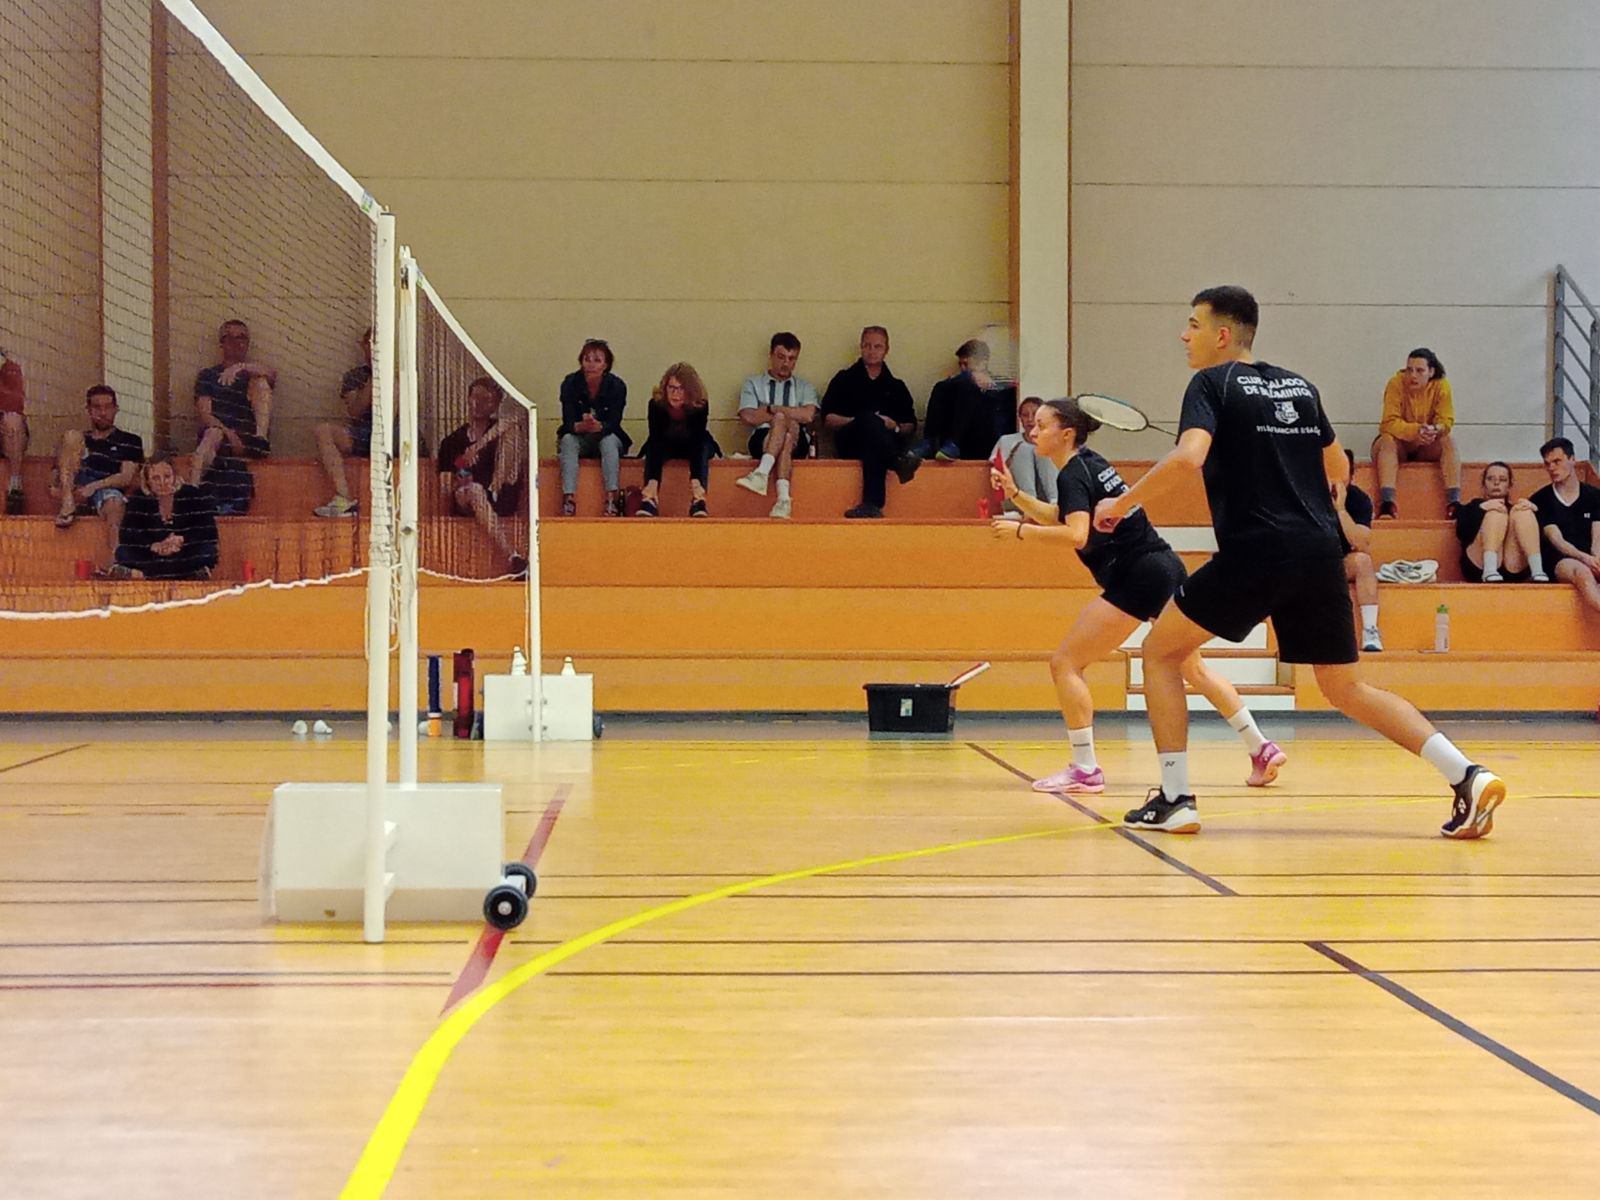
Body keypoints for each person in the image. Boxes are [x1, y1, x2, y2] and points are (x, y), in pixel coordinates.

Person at [1093, 286, 1504, 839]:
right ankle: (1467, 775)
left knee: (1160, 653)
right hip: (1318, 550)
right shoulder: (1300, 386)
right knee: (1346, 689)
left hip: (1257, 550)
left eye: (1193, 325)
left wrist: (1121, 504)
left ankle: (1175, 799)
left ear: (1222, 335)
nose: (1183, 335)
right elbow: (1337, 465)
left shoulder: (1210, 383)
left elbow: (1189, 457)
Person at [991, 397, 1286, 794]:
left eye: (1042, 426)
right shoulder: (1091, 464)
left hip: (1136, 576)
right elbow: (1065, 516)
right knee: (1193, 669)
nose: (1032, 432)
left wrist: (1021, 531)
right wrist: (1017, 495)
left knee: (1066, 663)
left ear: (1066, 434)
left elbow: (1075, 534)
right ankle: (1261, 746)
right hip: (1164, 566)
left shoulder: (1073, 474)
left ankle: (1085, 768)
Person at [820, 326, 920, 519]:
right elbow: (828, 418)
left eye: (877, 346)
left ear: (886, 350)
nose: (871, 351)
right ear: (861, 347)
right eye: (867, 346)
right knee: (868, 419)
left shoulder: (896, 386)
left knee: (875, 440)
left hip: (887, 441)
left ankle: (872, 505)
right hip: (851, 441)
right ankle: (897, 462)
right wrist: (860, 421)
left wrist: (894, 426)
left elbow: (910, 425)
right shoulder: (844, 379)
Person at [437, 375, 528, 575]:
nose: (478, 403)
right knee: (474, 490)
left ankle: (493, 489)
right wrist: (459, 478)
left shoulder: (500, 430)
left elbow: (519, 415)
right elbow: (445, 483)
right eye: (475, 397)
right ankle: (512, 556)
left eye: (486, 399)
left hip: (500, 490)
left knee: (514, 433)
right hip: (468, 495)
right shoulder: (452, 441)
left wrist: (477, 447)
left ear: (495, 405)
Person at [52, 385, 145, 569]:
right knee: (71, 435)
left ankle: (116, 560)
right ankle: (68, 504)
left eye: (108, 407)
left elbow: (126, 477)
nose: (103, 413)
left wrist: (93, 487)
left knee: (115, 502)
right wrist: (66, 491)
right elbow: (54, 477)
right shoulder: (80, 440)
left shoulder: (130, 440)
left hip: (106, 488)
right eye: (97, 407)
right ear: (88, 410)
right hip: (76, 486)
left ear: (116, 409)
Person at [189, 318, 276, 514]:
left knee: (261, 382)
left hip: (248, 437)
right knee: (212, 433)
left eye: (242, 338)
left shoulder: (250, 373)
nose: (237, 343)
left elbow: (272, 374)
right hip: (220, 436)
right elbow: (205, 414)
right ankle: (192, 494)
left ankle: (260, 439)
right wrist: (229, 433)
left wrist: (240, 367)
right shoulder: (208, 375)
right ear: (221, 343)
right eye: (230, 338)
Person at [734, 332, 818, 520]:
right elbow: (748, 416)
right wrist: (787, 415)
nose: (786, 363)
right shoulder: (753, 383)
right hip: (762, 438)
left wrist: (771, 409)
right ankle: (783, 499)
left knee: (783, 423)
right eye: (781, 357)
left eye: (792, 358)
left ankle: (762, 473)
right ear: (771, 355)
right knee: (784, 430)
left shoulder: (805, 386)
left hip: (798, 442)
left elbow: (808, 415)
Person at [1373, 348, 1459, 518]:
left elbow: (1446, 421)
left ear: (1431, 372)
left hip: (1426, 443)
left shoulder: (1442, 386)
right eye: (1409, 369)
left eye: (1419, 371)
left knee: (1448, 440)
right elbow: (1389, 423)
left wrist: (1434, 429)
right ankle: (1387, 503)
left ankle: (1454, 503)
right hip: (1399, 445)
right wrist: (1415, 431)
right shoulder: (1395, 383)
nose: (1413, 376)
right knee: (1387, 440)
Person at [111, 452, 219, 581]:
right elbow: (127, 534)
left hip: (182, 552)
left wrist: (182, 540)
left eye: (167, 477)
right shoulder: (138, 498)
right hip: (152, 555)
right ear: (148, 481)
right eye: (156, 478)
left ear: (174, 476)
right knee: (123, 552)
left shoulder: (192, 494)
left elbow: (209, 531)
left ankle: (142, 575)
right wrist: (152, 545)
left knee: (207, 551)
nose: (162, 483)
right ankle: (186, 575)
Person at [556, 338, 630, 517]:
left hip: (607, 435)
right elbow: (567, 420)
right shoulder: (570, 383)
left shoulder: (617, 386)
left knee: (608, 442)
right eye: (587, 359)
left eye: (597, 360)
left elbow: (615, 421)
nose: (591, 365)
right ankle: (568, 500)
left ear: (606, 365)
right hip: (579, 437)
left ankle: (611, 500)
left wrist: (600, 426)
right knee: (567, 440)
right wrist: (579, 426)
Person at [636, 363, 717, 518]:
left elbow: (697, 439)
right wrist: (653, 481)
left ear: (690, 391)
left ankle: (698, 498)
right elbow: (656, 437)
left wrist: (695, 481)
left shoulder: (700, 405)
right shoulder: (656, 404)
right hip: (666, 443)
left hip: (693, 444)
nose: (675, 394)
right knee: (652, 446)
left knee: (702, 447)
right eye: (671, 388)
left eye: (681, 389)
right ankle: (650, 496)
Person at [1530, 437, 1600, 612]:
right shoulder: (1541, 499)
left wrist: (1596, 558)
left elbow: (1597, 533)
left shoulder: (1594, 495)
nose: (1551, 468)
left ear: (1572, 459)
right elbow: (1557, 540)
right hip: (1560, 560)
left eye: (1557, 461)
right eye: (1547, 464)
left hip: (1590, 555)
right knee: (1582, 572)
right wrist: (1585, 559)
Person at [916, 339, 1012, 462]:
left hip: (987, 437)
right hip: (961, 438)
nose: (962, 368)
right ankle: (929, 441)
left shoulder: (999, 383)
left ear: (983, 363)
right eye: (960, 364)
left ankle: (953, 443)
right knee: (942, 386)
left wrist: (989, 386)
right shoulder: (957, 385)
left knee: (967, 384)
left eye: (966, 364)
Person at [312, 329, 374, 518]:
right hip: (365, 433)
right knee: (323, 430)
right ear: (363, 346)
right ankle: (343, 498)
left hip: (397, 436)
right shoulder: (355, 376)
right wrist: (374, 380)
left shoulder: (404, 374)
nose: (375, 348)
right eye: (370, 343)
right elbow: (355, 411)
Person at [1455, 460, 1543, 584]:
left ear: (1509, 485)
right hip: (1479, 567)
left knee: (1523, 512)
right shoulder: (1475, 505)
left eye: (1502, 479)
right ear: (1484, 484)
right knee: (1496, 513)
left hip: (1513, 567)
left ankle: (1537, 571)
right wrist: (1482, 508)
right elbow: (1462, 533)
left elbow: (1543, 537)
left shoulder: (1516, 510)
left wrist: (1534, 510)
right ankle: (1490, 570)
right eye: (1490, 479)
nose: (1496, 483)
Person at [1335, 449, 1383, 651]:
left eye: (1341, 472)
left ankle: (1370, 630)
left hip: (1339, 562)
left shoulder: (1359, 499)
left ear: (1352, 475)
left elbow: (1361, 543)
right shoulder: (1304, 494)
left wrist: (1340, 510)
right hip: (1308, 560)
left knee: (1363, 561)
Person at [991, 396, 1056, 513]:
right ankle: (1029, 507)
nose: (1030, 419)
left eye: (1034, 415)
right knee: (1023, 450)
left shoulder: (1054, 440)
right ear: (1020, 418)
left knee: (1042, 452)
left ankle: (1056, 503)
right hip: (1016, 499)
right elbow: (995, 467)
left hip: (1049, 502)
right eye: (1025, 415)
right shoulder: (1006, 441)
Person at [1, 353, 28, 513]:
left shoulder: (9, 368)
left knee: (12, 420)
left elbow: (14, 403)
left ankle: (15, 486)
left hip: (5, 428)